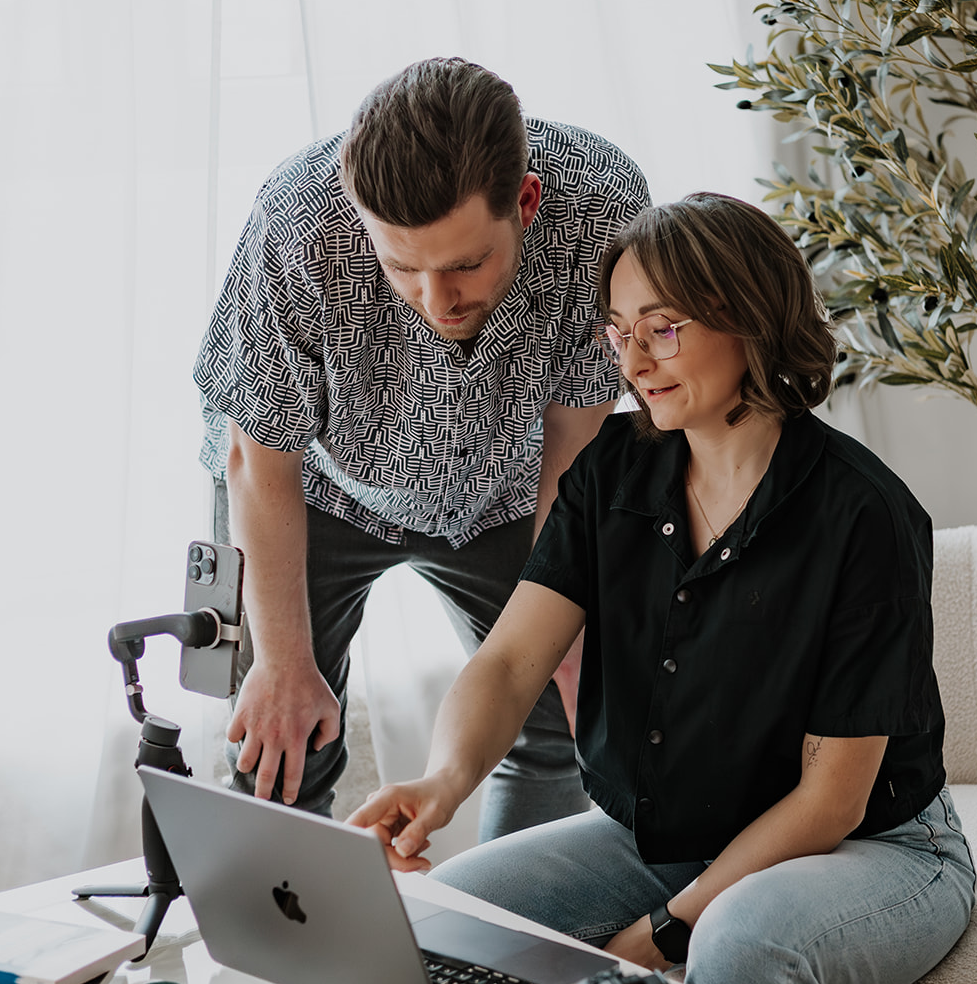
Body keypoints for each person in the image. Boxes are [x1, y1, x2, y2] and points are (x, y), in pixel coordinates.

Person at [349, 192, 977, 984]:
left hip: (877, 847)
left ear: (749, 319)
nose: (634, 359)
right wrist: (443, 781)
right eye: (619, 330)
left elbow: (831, 799)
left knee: (740, 941)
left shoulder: (861, 515)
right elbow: (511, 658)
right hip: (660, 827)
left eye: (665, 327)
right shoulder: (615, 472)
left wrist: (667, 928)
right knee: (439, 921)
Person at [193, 57, 649, 835]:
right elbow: (257, 460)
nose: (436, 300)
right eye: (402, 266)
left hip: (505, 486)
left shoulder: (602, 208)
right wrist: (282, 661)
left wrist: (565, 624)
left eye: (467, 264)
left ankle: (505, 913)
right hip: (310, 489)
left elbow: (576, 437)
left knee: (552, 720)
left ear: (526, 201)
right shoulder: (296, 224)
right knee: (279, 737)